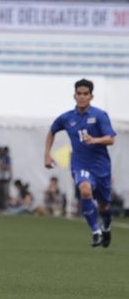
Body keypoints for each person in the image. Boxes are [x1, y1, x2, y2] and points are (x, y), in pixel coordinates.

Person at [44, 79, 116, 248]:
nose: (82, 97)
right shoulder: (67, 118)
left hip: (101, 166)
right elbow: (51, 131)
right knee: (84, 190)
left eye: (86, 94)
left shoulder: (99, 115)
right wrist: (47, 154)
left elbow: (110, 139)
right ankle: (95, 231)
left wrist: (95, 140)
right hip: (80, 163)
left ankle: (106, 227)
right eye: (79, 94)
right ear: (74, 95)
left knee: (104, 205)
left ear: (91, 96)